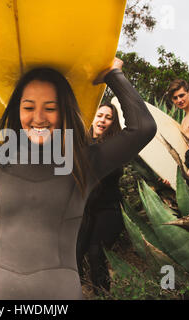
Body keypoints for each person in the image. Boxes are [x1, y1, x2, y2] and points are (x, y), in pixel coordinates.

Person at [0, 47, 157, 300]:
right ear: (17, 112)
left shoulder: (84, 162)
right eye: (28, 107)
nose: (38, 118)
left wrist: (113, 74)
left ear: (64, 111)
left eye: (50, 108)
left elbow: (143, 128)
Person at [76, 102, 124, 294]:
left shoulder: (115, 146)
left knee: (96, 253)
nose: (102, 120)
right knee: (75, 254)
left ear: (113, 123)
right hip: (85, 210)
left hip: (108, 209)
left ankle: (103, 294)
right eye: (99, 115)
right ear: (92, 118)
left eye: (108, 117)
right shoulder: (81, 142)